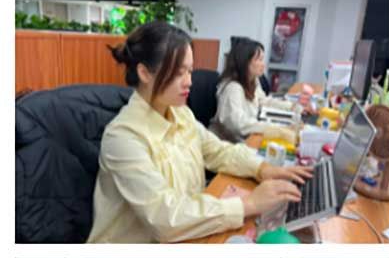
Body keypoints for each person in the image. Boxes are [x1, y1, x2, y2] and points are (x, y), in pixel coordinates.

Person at [88, 22, 311, 243]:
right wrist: (249, 204)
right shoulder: (123, 137)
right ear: (145, 73)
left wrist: (263, 168)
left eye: (190, 71)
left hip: (184, 234)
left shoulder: (180, 113)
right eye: (178, 73)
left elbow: (218, 151)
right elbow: (164, 217)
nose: (189, 82)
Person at [210, 37, 304, 143]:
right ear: (244, 62)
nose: (263, 64)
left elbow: (263, 101)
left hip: (245, 138)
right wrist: (276, 128)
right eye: (259, 60)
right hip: (227, 143)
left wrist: (293, 107)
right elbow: (240, 124)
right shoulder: (232, 88)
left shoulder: (252, 80)